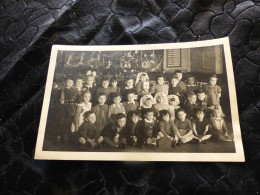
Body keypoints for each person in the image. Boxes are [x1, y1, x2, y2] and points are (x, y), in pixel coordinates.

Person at [59, 77, 78, 143]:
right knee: (62, 121)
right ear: (65, 82)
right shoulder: (62, 90)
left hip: (71, 107)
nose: (69, 84)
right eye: (68, 82)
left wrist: (75, 103)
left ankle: (67, 136)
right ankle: (62, 135)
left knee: (69, 121)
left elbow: (77, 98)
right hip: (63, 107)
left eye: (71, 82)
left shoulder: (75, 90)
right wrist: (61, 101)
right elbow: (58, 99)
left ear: (73, 83)